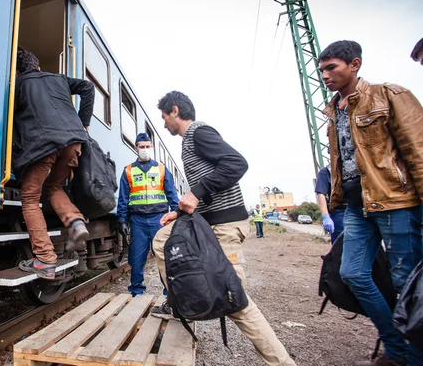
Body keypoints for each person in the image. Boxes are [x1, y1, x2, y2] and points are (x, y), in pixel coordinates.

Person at [151, 91, 296, 366]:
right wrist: (179, 211)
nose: (163, 124)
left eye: (164, 118)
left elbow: (236, 163)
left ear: (174, 111)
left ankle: (283, 363)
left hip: (227, 223)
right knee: (162, 241)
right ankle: (180, 301)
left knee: (236, 301)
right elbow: (204, 193)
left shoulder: (198, 132)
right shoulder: (187, 142)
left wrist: (196, 193)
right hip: (209, 221)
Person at [319, 40, 423, 366]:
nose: (324, 75)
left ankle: (410, 357)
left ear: (354, 64)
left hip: (395, 202)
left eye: (331, 67)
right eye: (321, 69)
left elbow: (417, 151)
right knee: (352, 274)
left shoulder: (390, 95)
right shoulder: (333, 111)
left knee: (406, 284)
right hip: (355, 206)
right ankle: (397, 348)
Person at [13, 48, 95, 280]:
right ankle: (76, 222)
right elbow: (88, 87)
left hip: (43, 145)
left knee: (30, 198)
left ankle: (46, 260)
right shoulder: (58, 79)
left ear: (19, 71)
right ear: (38, 66)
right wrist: (83, 124)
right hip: (72, 142)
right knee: (54, 187)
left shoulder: (19, 85)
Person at [116, 133, 179, 297]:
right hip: (137, 221)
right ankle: (136, 291)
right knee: (137, 257)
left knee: (163, 256)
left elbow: (171, 194)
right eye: (141, 147)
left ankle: (169, 291)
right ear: (136, 148)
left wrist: (179, 213)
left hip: (159, 219)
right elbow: (123, 197)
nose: (144, 149)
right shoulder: (128, 170)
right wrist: (121, 218)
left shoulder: (161, 168)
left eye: (147, 147)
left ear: (151, 147)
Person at [314, 165, 345, 243]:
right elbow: (321, 193)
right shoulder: (327, 171)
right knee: (340, 246)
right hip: (340, 211)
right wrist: (325, 216)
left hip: (362, 209)